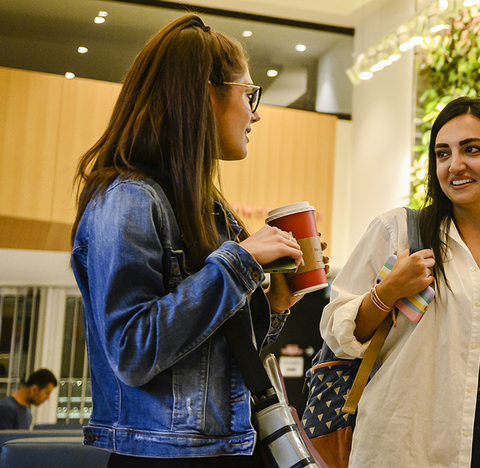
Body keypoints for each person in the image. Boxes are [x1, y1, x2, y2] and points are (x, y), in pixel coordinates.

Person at [71, 14, 327, 467]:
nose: (256, 112)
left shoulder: (204, 204)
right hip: (163, 456)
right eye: (248, 93)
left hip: (222, 447)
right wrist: (241, 262)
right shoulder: (127, 200)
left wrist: (275, 303)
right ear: (205, 92)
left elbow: (210, 352)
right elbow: (132, 350)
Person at [320, 97, 480, 467]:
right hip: (409, 432)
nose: (454, 165)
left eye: (471, 149)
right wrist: (388, 291)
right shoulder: (398, 232)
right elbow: (337, 333)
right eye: (442, 153)